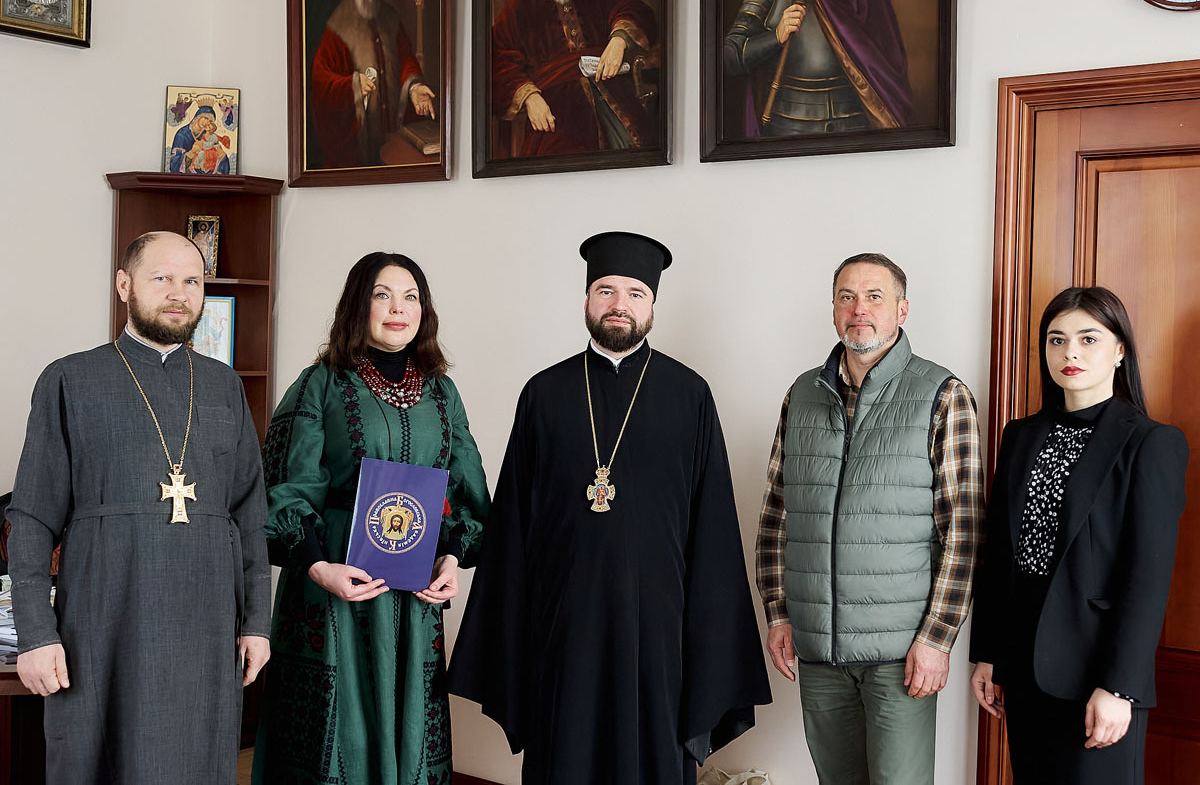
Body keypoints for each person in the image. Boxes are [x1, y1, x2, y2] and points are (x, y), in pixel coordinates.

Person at [448, 231, 771, 785]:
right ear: (586, 301)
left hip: (660, 635)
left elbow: (714, 531)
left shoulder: (689, 395)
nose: (619, 304)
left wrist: (707, 647)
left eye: (635, 293)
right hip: (563, 628)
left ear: (652, 307)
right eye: (606, 291)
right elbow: (513, 530)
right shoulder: (543, 394)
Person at [7, 231, 271, 783]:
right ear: (124, 285)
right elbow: (31, 517)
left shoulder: (224, 386)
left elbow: (249, 516)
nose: (179, 293)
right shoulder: (69, 379)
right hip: (101, 621)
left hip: (206, 627)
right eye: (162, 278)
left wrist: (257, 624)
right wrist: (36, 633)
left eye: (192, 281)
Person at [251, 252, 490, 785]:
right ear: (358, 305)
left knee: (409, 725)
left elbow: (462, 491)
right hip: (333, 582)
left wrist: (451, 560)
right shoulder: (320, 383)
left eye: (410, 297)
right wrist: (319, 568)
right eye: (383, 295)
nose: (398, 308)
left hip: (414, 593)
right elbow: (285, 489)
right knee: (338, 734)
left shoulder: (441, 391)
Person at [756, 253, 983, 784]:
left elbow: (964, 532)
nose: (859, 309)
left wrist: (937, 639)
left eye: (874, 296)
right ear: (834, 309)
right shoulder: (801, 395)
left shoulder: (942, 395)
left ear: (902, 310)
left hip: (900, 655)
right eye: (847, 297)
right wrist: (778, 614)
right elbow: (775, 518)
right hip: (818, 649)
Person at [970, 287, 1188, 784]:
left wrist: (1120, 687)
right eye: (1057, 339)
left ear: (1119, 350)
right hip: (1023, 671)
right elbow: (1000, 555)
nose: (1070, 352)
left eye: (1089, 339)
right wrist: (988, 654)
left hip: (1098, 678)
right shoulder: (1020, 435)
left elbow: (1147, 579)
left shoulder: (1150, 443)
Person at [723, 0, 915, 137]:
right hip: (788, 126)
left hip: (855, 126)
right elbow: (730, 55)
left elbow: (887, 59)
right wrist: (776, 36)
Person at [490, 0, 659, 157]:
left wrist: (619, 39)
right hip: (556, 106)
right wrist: (529, 97)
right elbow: (497, 57)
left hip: (613, 90)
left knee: (640, 146)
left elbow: (635, 9)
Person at [310, 0, 437, 168]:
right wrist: (353, 85)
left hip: (394, 145)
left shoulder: (391, 17)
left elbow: (405, 58)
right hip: (357, 152)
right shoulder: (338, 23)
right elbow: (320, 80)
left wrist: (414, 88)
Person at [169, 106, 231, 173]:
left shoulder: (208, 135)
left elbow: (218, 153)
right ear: (198, 117)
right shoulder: (182, 134)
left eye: (210, 121)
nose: (207, 122)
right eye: (205, 118)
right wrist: (191, 152)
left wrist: (222, 156)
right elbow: (174, 164)